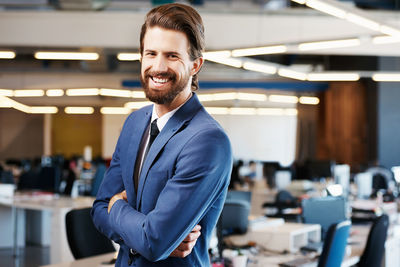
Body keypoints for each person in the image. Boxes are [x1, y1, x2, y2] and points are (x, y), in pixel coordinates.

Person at [91, 3, 232, 267]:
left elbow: (154, 241)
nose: (158, 66)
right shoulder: (135, 122)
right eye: (151, 53)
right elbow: (99, 211)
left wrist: (117, 207)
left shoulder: (207, 140)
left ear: (195, 65)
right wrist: (144, 233)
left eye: (172, 56)